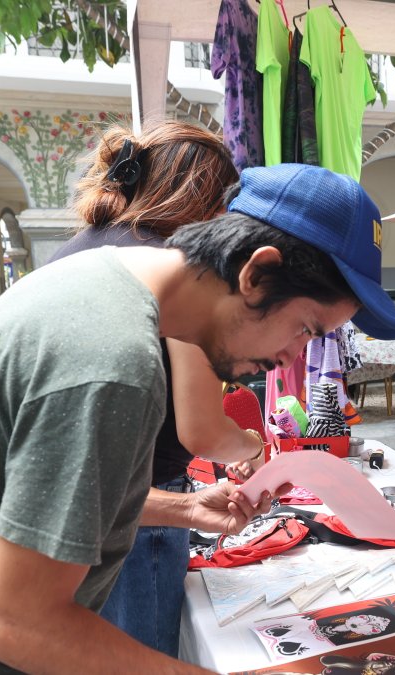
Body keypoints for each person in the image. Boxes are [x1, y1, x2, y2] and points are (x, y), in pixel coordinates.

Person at [0, 161, 395, 674]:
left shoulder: (98, 281)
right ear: (257, 272)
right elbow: (22, 625)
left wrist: (182, 509)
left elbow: (19, 494)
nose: (293, 358)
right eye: (306, 329)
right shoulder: (114, 362)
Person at [50, 122, 258, 656]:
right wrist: (254, 447)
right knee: (143, 652)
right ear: (207, 200)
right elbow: (202, 430)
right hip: (140, 509)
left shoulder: (72, 253)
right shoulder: (173, 268)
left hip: (66, 503)